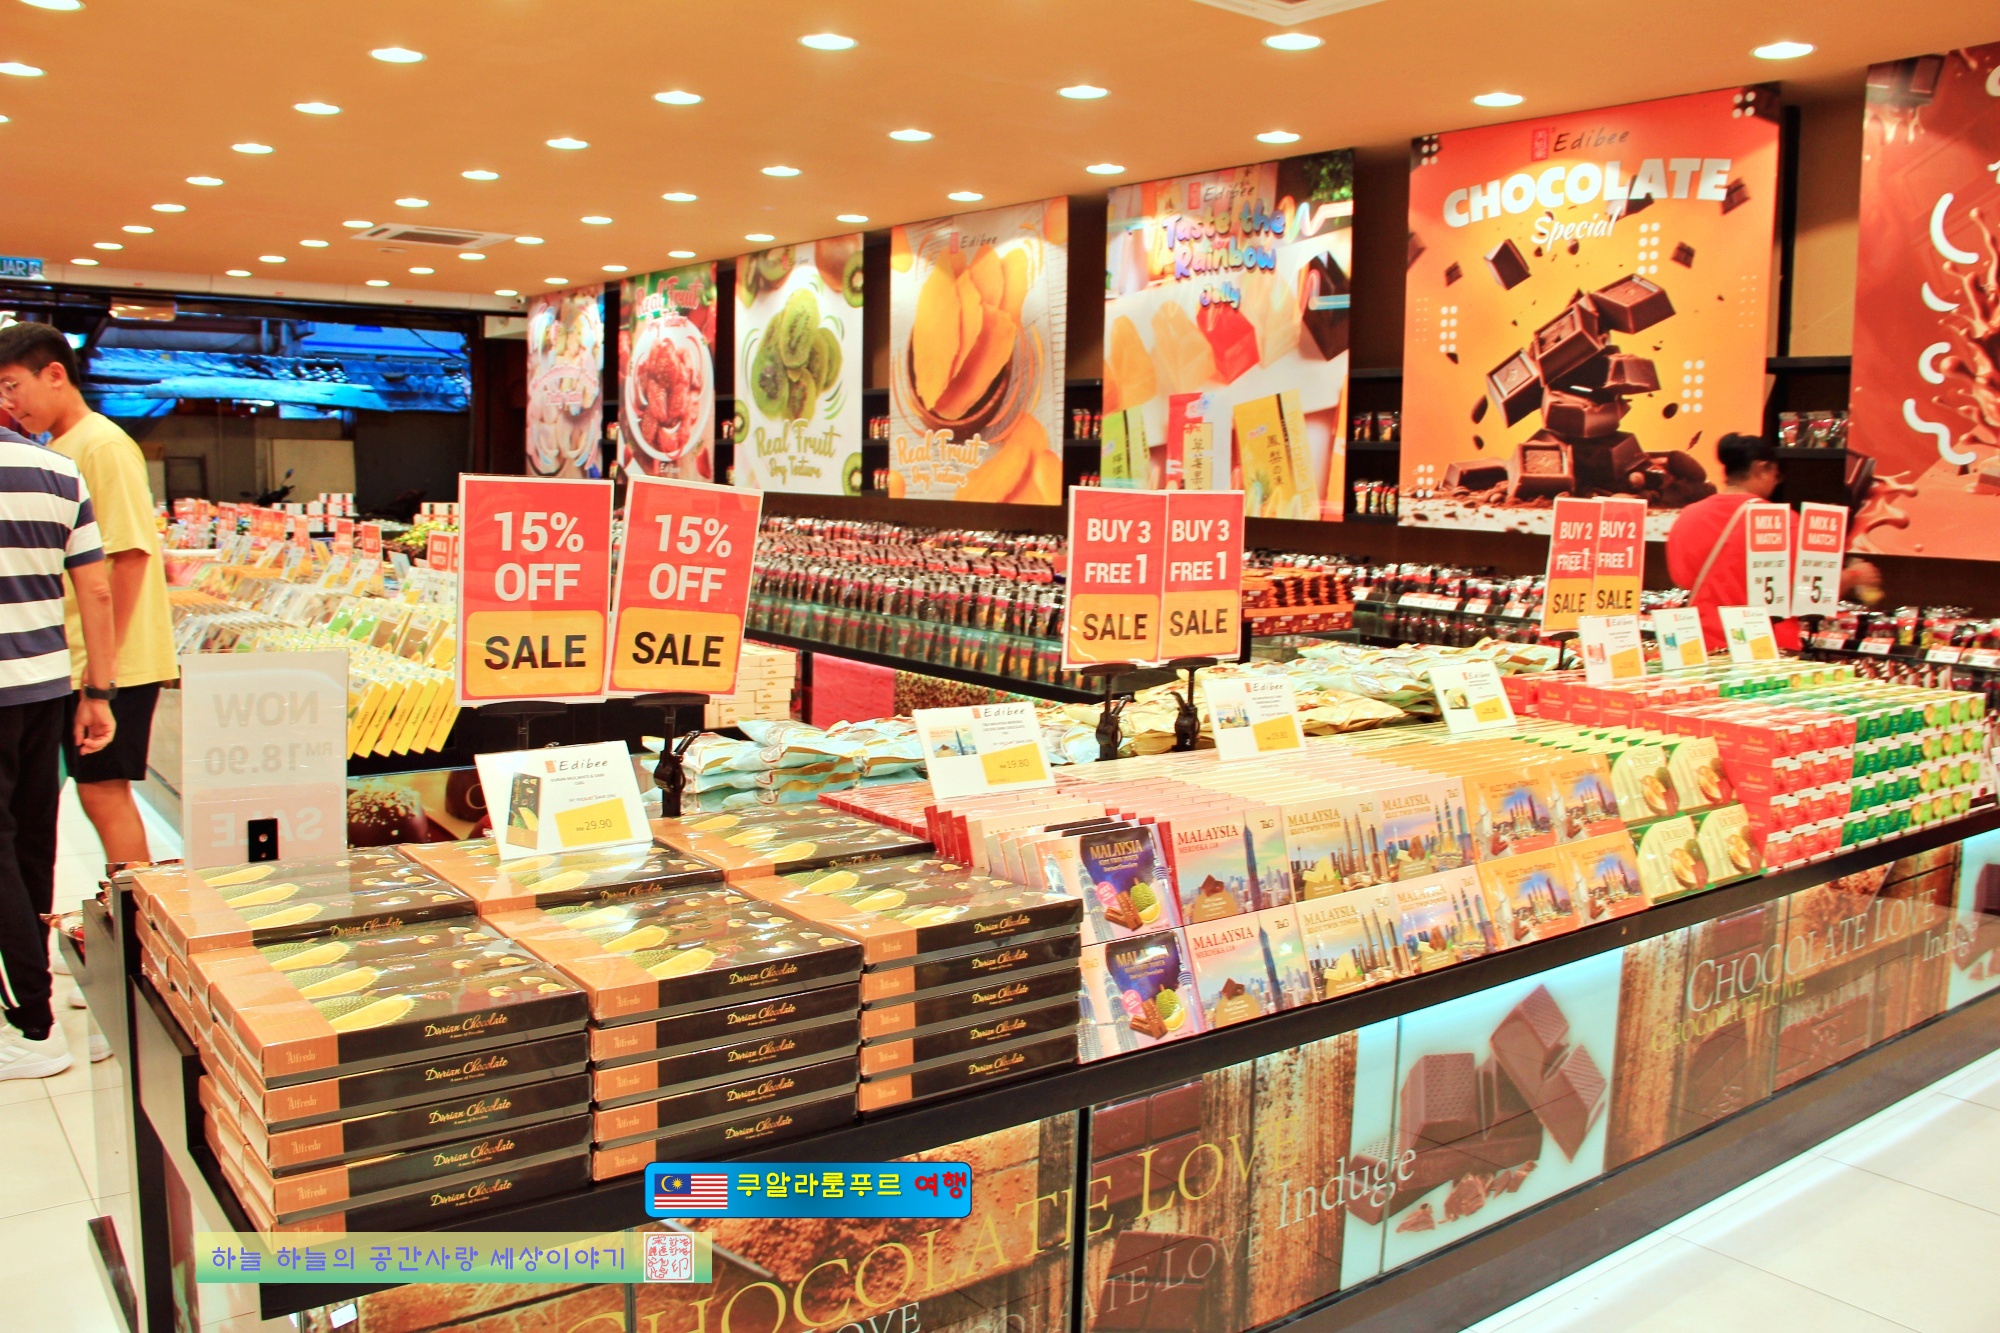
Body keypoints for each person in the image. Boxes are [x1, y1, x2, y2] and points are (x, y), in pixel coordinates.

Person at [0, 323, 179, 870]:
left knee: (104, 793)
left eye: (12, 385)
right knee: (81, 794)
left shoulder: (102, 445)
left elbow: (129, 558)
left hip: (114, 662)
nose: (8, 402)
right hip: (79, 658)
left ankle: (142, 916)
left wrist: (104, 672)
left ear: (55, 374)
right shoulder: (58, 448)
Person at [0, 415, 117, 1079]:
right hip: (46, 686)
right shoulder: (58, 470)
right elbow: (95, 588)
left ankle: (31, 1024)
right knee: (31, 842)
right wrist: (98, 690)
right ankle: (39, 993)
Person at [1664, 432, 1881, 653]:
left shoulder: (1688, 516)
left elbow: (1682, 579)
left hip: (1701, 645)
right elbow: (1808, 596)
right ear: (1761, 468)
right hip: (1763, 649)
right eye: (1776, 476)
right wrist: (1854, 575)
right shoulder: (1782, 522)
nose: (1776, 484)